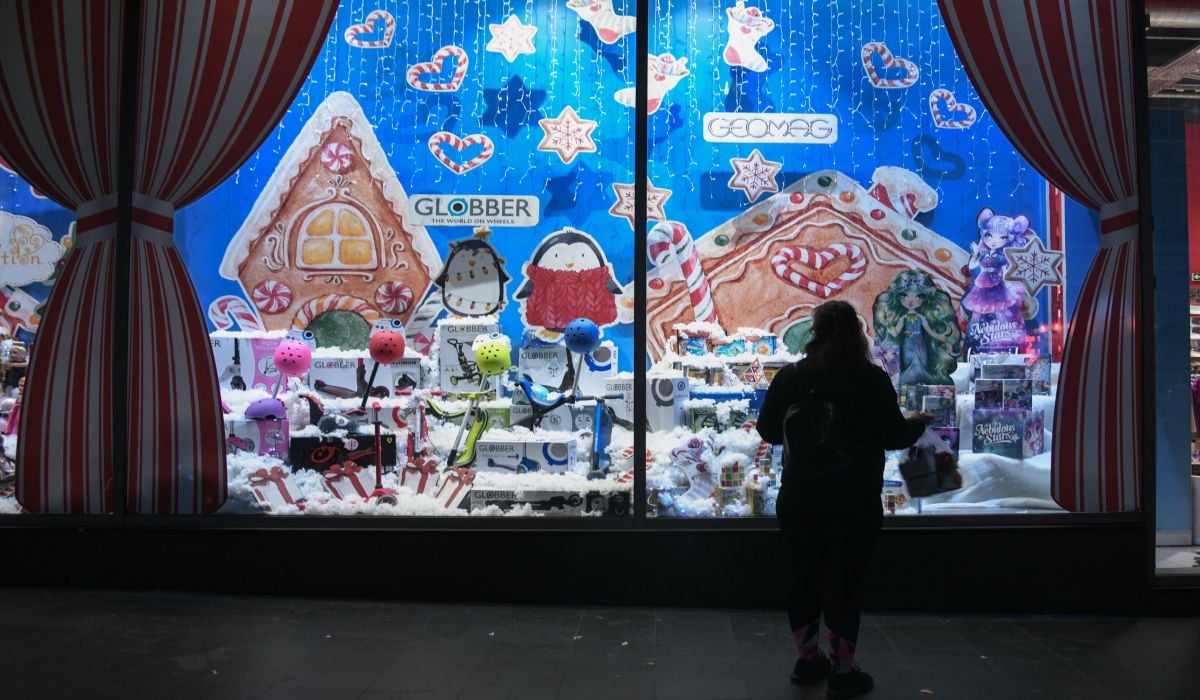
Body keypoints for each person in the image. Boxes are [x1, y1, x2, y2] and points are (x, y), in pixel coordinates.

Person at [757, 300, 928, 699]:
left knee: (803, 577)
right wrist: (917, 424)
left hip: (800, 496)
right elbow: (894, 435)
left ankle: (807, 660)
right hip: (854, 498)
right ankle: (843, 669)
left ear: (814, 332)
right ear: (857, 332)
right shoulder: (870, 378)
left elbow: (768, 431)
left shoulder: (792, 376)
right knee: (845, 582)